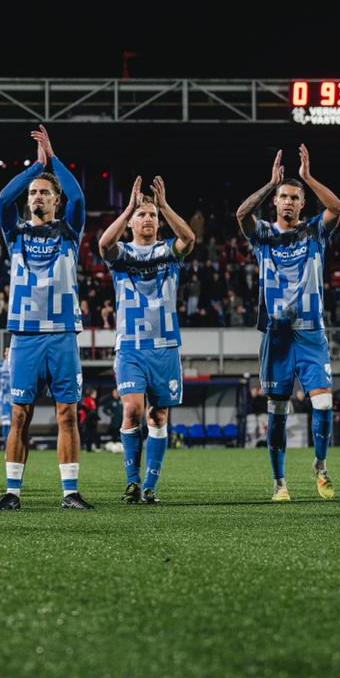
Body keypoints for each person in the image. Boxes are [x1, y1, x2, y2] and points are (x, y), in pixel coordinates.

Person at [236, 145, 340, 502]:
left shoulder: (315, 231)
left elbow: (337, 208)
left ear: (301, 204)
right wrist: (270, 183)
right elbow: (241, 214)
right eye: (283, 196)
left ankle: (320, 465)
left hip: (310, 332)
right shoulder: (263, 234)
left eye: (294, 197)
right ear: (275, 202)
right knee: (278, 411)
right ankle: (280, 482)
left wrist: (309, 177)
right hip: (276, 335)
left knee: (324, 403)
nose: (287, 201)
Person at [0, 125, 92, 510]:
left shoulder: (70, 230)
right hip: (25, 335)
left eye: (45, 192)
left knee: (68, 413)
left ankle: (70, 492)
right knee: (20, 414)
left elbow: (79, 196)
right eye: (33, 192)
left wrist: (54, 160)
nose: (37, 195)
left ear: (56, 200)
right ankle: (12, 492)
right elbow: (3, 197)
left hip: (63, 333)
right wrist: (36, 168)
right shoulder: (13, 232)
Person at [98, 174, 195, 503]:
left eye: (151, 215)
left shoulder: (169, 250)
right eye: (143, 214)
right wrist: (127, 209)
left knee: (158, 416)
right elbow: (103, 246)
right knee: (132, 411)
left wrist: (164, 205)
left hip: (165, 346)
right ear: (131, 223)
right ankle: (131, 481)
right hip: (130, 347)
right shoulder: (122, 253)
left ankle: (151, 486)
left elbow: (189, 239)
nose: (148, 218)